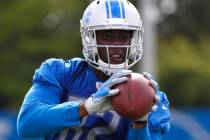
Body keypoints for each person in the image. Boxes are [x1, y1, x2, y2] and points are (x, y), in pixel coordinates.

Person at [17, 0, 170, 139]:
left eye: (123, 38)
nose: (116, 46)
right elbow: (27, 125)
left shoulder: (150, 95)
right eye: (107, 37)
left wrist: (140, 122)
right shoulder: (60, 72)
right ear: (89, 37)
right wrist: (86, 107)